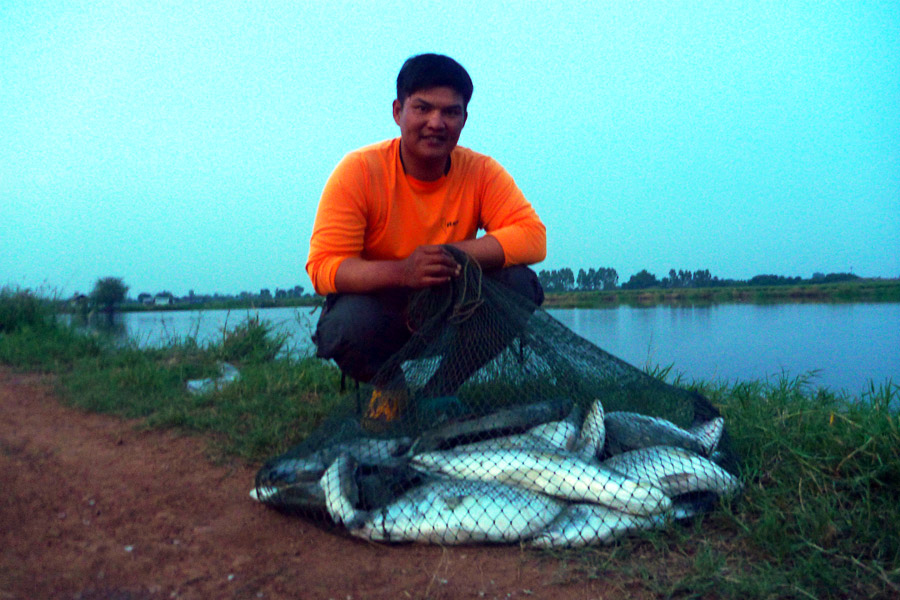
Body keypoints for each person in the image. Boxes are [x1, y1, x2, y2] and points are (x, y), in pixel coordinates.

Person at [306, 53, 546, 430]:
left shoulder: (480, 171)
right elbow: (324, 267)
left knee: (520, 283)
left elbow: (533, 237)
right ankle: (389, 387)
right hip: (381, 315)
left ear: (464, 120)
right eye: (423, 108)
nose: (437, 123)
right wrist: (403, 272)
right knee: (343, 325)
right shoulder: (359, 171)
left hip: (449, 312)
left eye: (451, 112)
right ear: (398, 111)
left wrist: (452, 254)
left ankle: (440, 391)